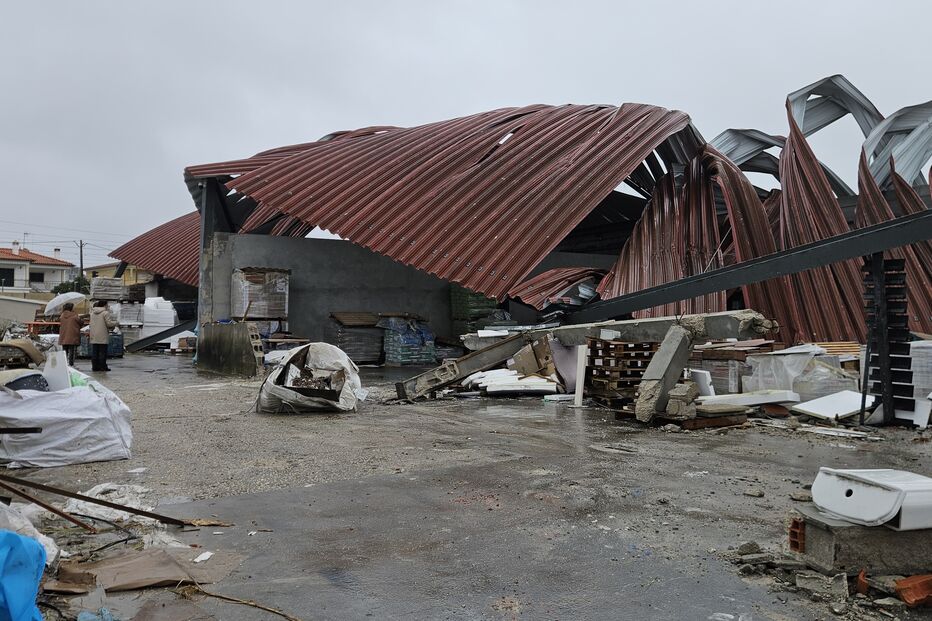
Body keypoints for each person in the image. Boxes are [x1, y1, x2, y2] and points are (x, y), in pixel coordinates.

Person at [89, 300, 117, 372]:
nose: (108, 306)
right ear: (104, 305)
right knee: (102, 352)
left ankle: (95, 367)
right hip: (102, 335)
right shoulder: (105, 313)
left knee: (95, 352)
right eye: (107, 304)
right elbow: (109, 324)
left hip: (94, 334)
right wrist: (116, 323)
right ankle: (103, 367)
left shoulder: (92, 313)